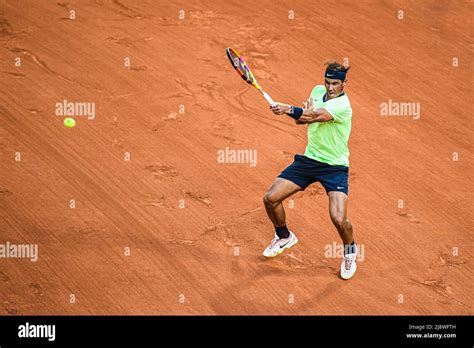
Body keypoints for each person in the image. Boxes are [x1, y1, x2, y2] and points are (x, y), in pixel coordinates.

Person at [262, 61, 357, 280]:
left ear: (344, 84)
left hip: (335, 167)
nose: (330, 87)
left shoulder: (343, 106)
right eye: (327, 82)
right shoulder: (317, 90)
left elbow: (312, 116)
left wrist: (288, 109)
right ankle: (284, 236)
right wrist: (293, 113)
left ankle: (350, 251)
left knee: (339, 219)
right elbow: (303, 120)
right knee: (270, 198)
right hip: (309, 159)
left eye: (335, 83)